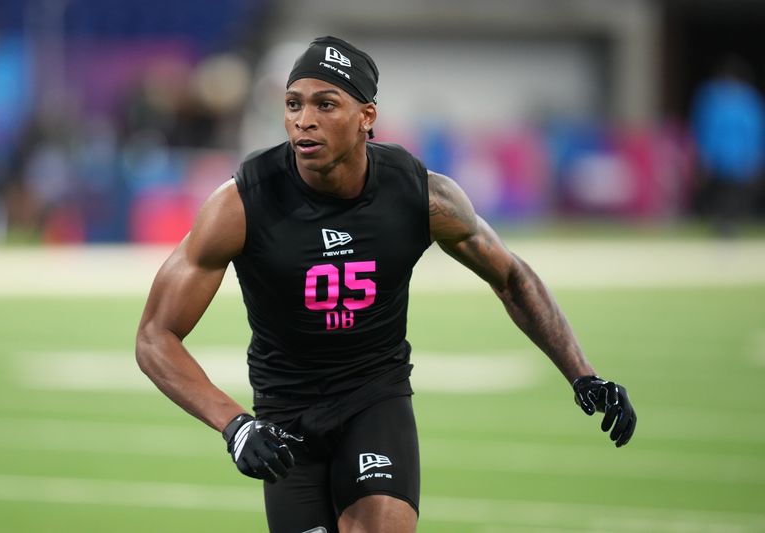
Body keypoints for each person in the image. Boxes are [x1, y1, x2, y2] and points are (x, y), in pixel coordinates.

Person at [136, 36, 637, 533]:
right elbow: (155, 335)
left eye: (325, 104)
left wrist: (582, 373)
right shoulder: (241, 203)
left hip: (374, 399)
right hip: (285, 415)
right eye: (293, 104)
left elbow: (511, 276)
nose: (303, 120)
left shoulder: (420, 194)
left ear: (366, 117)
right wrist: (235, 424)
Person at [691, 54, 765, 236]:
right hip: (719, 157)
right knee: (719, 191)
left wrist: (755, 157)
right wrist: (703, 154)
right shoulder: (711, 98)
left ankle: (732, 224)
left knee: (737, 193)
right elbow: (703, 128)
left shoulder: (749, 101)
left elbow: (756, 131)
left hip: (739, 158)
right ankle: (721, 224)